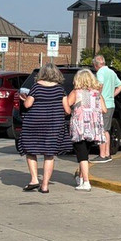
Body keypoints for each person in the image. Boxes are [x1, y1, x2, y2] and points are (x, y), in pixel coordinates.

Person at [17, 62, 70, 193]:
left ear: (42, 74)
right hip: (54, 125)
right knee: (49, 154)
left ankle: (34, 179)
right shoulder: (60, 89)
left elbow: (28, 105)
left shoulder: (36, 87)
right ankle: (45, 185)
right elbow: (67, 110)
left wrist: (24, 99)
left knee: (30, 150)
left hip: (34, 123)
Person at [67, 67, 106, 191]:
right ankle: (80, 178)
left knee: (82, 155)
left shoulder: (76, 92)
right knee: (85, 153)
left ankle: (86, 182)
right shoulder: (97, 93)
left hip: (79, 128)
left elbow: (67, 105)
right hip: (93, 128)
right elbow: (104, 110)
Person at [92, 54, 121, 163]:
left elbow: (99, 86)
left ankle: (102, 155)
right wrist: (111, 95)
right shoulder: (112, 72)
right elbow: (120, 85)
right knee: (106, 130)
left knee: (101, 130)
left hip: (103, 105)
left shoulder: (100, 72)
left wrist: (96, 98)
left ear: (96, 65)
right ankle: (107, 153)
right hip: (110, 104)